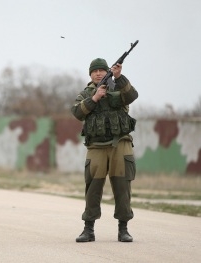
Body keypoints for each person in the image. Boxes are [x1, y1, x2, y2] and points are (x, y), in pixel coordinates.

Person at [71, 58, 138, 243]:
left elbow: (132, 96)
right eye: (95, 71)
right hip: (96, 147)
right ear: (90, 74)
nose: (99, 73)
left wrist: (119, 77)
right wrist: (94, 98)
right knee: (93, 188)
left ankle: (123, 229)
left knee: (123, 188)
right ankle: (88, 229)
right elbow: (76, 112)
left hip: (120, 144)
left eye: (102, 70)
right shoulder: (86, 93)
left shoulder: (118, 87)